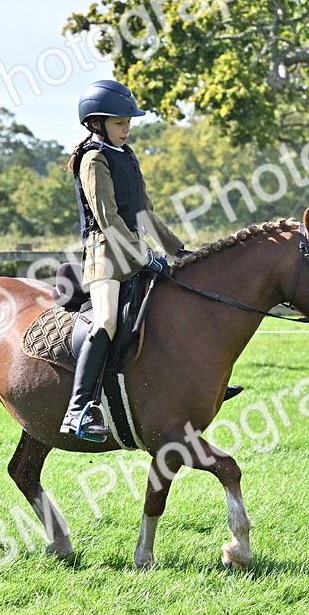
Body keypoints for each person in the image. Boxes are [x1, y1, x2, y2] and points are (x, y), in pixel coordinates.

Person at [60, 79, 188, 442]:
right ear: (96, 123)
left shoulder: (127, 155)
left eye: (129, 121)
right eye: (120, 122)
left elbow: (146, 213)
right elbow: (108, 219)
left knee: (177, 305)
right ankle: (78, 410)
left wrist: (178, 250)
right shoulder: (93, 159)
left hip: (135, 251)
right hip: (105, 256)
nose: (127, 128)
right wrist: (145, 256)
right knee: (107, 321)